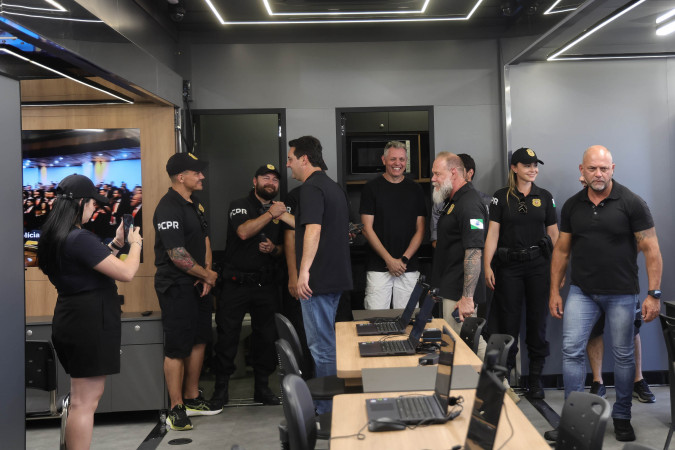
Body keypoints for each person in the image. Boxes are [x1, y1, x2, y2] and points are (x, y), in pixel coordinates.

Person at [547, 145, 662, 442]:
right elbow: (561, 250)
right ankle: (574, 422)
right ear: (582, 170)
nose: (598, 174)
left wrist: (654, 293)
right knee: (571, 351)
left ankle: (622, 417)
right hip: (582, 292)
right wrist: (554, 291)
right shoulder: (572, 206)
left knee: (623, 356)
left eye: (603, 168)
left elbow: (651, 249)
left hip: (622, 293)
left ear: (612, 169)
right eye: (592, 168)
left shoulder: (631, 203)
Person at [37, 174, 142, 450]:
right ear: (81, 202)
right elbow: (126, 272)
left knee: (80, 400)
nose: (95, 208)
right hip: (89, 322)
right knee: (85, 403)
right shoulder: (79, 237)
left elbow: (92, 266)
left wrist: (117, 243)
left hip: (71, 318)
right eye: (93, 203)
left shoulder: (55, 236)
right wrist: (136, 243)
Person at [210, 164, 292, 407]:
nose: (271, 183)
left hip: (266, 284)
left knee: (266, 338)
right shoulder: (240, 205)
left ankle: (262, 389)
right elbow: (244, 232)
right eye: (266, 178)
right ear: (254, 181)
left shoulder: (281, 211)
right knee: (227, 337)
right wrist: (271, 214)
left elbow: (285, 249)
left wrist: (273, 249)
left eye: (275, 179)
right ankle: (220, 390)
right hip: (236, 284)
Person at [483, 147, 559, 399]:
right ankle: (504, 380)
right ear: (514, 168)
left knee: (538, 324)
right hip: (509, 268)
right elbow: (493, 234)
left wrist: (557, 270)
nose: (533, 169)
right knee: (508, 325)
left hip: (539, 266)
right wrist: (486, 265)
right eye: (527, 165)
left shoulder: (545, 196)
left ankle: (535, 381)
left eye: (535, 165)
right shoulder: (500, 197)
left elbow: (554, 234)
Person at [154, 153, 222, 431]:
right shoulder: (168, 207)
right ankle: (176, 407)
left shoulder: (195, 204)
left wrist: (206, 274)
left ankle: (193, 398)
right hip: (176, 286)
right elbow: (176, 254)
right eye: (197, 172)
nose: (202, 176)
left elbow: (205, 239)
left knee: (199, 339)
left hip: (198, 283)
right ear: (181, 177)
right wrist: (206, 275)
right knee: (177, 347)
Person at [286, 135, 352, 414]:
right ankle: (333, 405)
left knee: (321, 347)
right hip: (334, 278)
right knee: (327, 344)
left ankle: (327, 411)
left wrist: (303, 273)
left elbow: (313, 230)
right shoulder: (332, 187)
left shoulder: (311, 188)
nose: (288, 165)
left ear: (304, 159)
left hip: (318, 281)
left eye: (290, 159)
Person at [577, 174, 655, 403]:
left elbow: (644, 242)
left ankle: (638, 380)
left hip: (622, 283)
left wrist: (620, 258)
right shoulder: (579, 206)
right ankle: (597, 381)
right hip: (589, 284)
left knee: (632, 331)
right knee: (594, 331)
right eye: (589, 173)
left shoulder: (630, 203)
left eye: (601, 170)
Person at [430, 152, 487, 358]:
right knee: (459, 348)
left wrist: (467, 298)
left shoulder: (469, 203)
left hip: (460, 295)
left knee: (466, 347)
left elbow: (474, 252)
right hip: (450, 289)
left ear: (453, 172)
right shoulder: (454, 201)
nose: (433, 179)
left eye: (437, 174)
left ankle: (498, 380)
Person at [359, 140, 427, 309]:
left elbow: (420, 230)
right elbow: (366, 229)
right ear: (384, 160)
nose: (398, 163)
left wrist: (403, 259)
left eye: (402, 159)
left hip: (408, 267)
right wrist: (389, 260)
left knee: (408, 319)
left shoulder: (416, 189)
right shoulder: (371, 188)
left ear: (406, 161)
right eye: (393, 159)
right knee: (375, 318)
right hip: (378, 267)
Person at [430, 153, 491, 248]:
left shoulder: (472, 204)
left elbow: (475, 246)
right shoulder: (445, 202)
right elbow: (437, 237)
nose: (433, 179)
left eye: (437, 174)